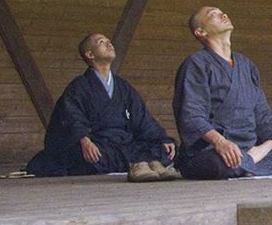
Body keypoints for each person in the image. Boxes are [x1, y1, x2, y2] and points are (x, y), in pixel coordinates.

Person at [172, 6, 272, 179]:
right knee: (220, 164)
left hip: (245, 147)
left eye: (222, 13)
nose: (223, 15)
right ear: (201, 32)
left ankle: (248, 162)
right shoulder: (196, 64)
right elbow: (192, 116)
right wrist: (220, 142)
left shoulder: (246, 65)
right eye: (213, 14)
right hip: (210, 150)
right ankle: (254, 157)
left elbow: (263, 116)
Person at [25, 33, 179, 181]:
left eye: (108, 41)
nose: (108, 43)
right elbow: (71, 116)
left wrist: (162, 138)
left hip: (124, 143)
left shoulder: (123, 87)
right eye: (101, 42)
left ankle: (143, 164)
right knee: (87, 157)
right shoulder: (79, 87)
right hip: (99, 144)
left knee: (164, 149)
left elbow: (142, 118)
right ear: (90, 54)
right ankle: (141, 164)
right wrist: (84, 140)